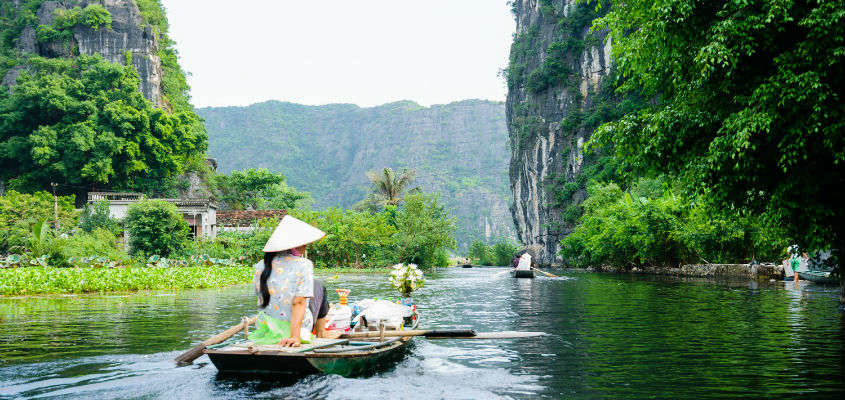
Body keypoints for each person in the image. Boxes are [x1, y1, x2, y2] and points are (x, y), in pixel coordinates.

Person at [253, 215, 325, 347]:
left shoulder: (260, 265)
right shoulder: (304, 264)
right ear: (295, 245)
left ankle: (321, 333)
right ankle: (322, 333)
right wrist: (295, 337)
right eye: (304, 243)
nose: (305, 247)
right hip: (294, 332)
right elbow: (298, 301)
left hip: (265, 330)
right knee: (320, 287)